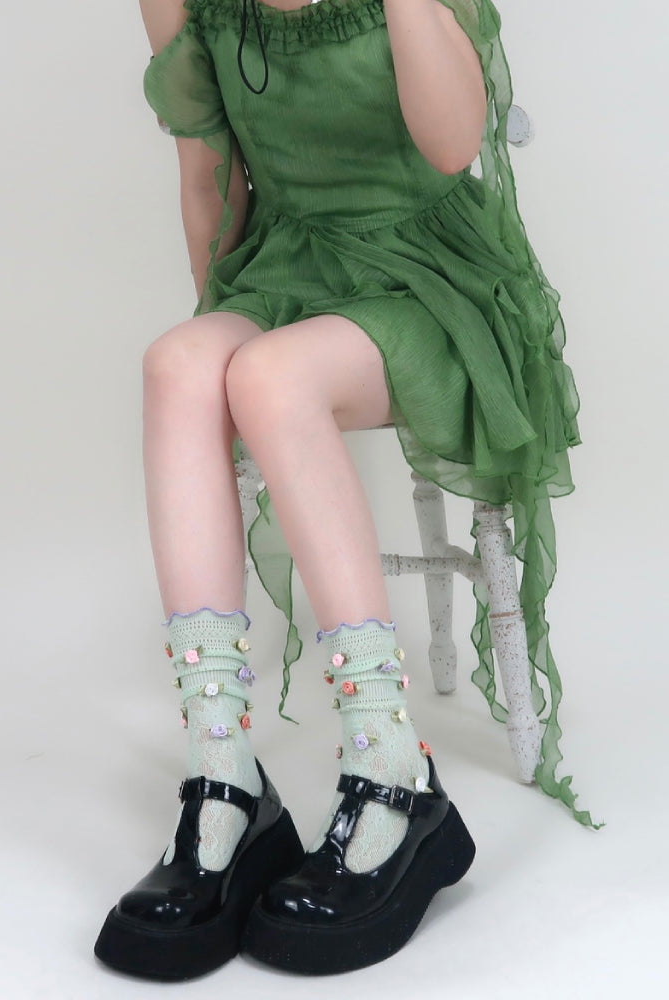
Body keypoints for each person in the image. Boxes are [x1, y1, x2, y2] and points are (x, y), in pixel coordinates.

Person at [94, 0, 594, 981]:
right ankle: (226, 782)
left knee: (270, 376)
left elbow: (452, 147)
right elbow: (208, 177)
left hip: (430, 277)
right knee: (179, 366)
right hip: (290, 268)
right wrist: (216, 340)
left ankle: (394, 774)